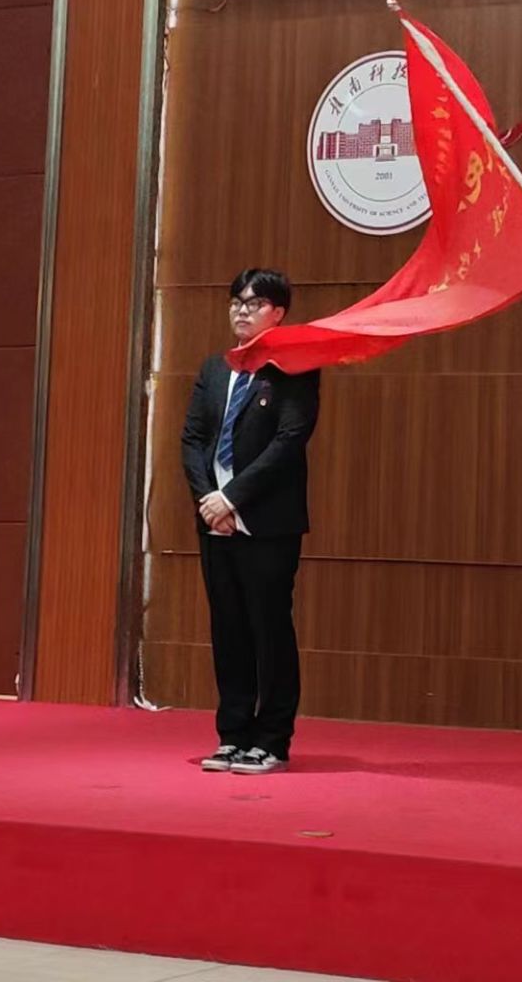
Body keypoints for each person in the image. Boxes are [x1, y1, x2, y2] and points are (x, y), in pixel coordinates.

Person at [180, 267, 321, 776]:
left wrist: (232, 499)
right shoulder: (215, 369)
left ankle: (272, 741)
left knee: (269, 629)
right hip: (214, 522)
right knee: (229, 629)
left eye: (254, 303)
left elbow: (289, 440)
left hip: (266, 523)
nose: (242, 310)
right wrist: (208, 501)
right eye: (236, 301)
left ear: (277, 313)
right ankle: (233, 735)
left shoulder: (294, 367)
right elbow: (193, 438)